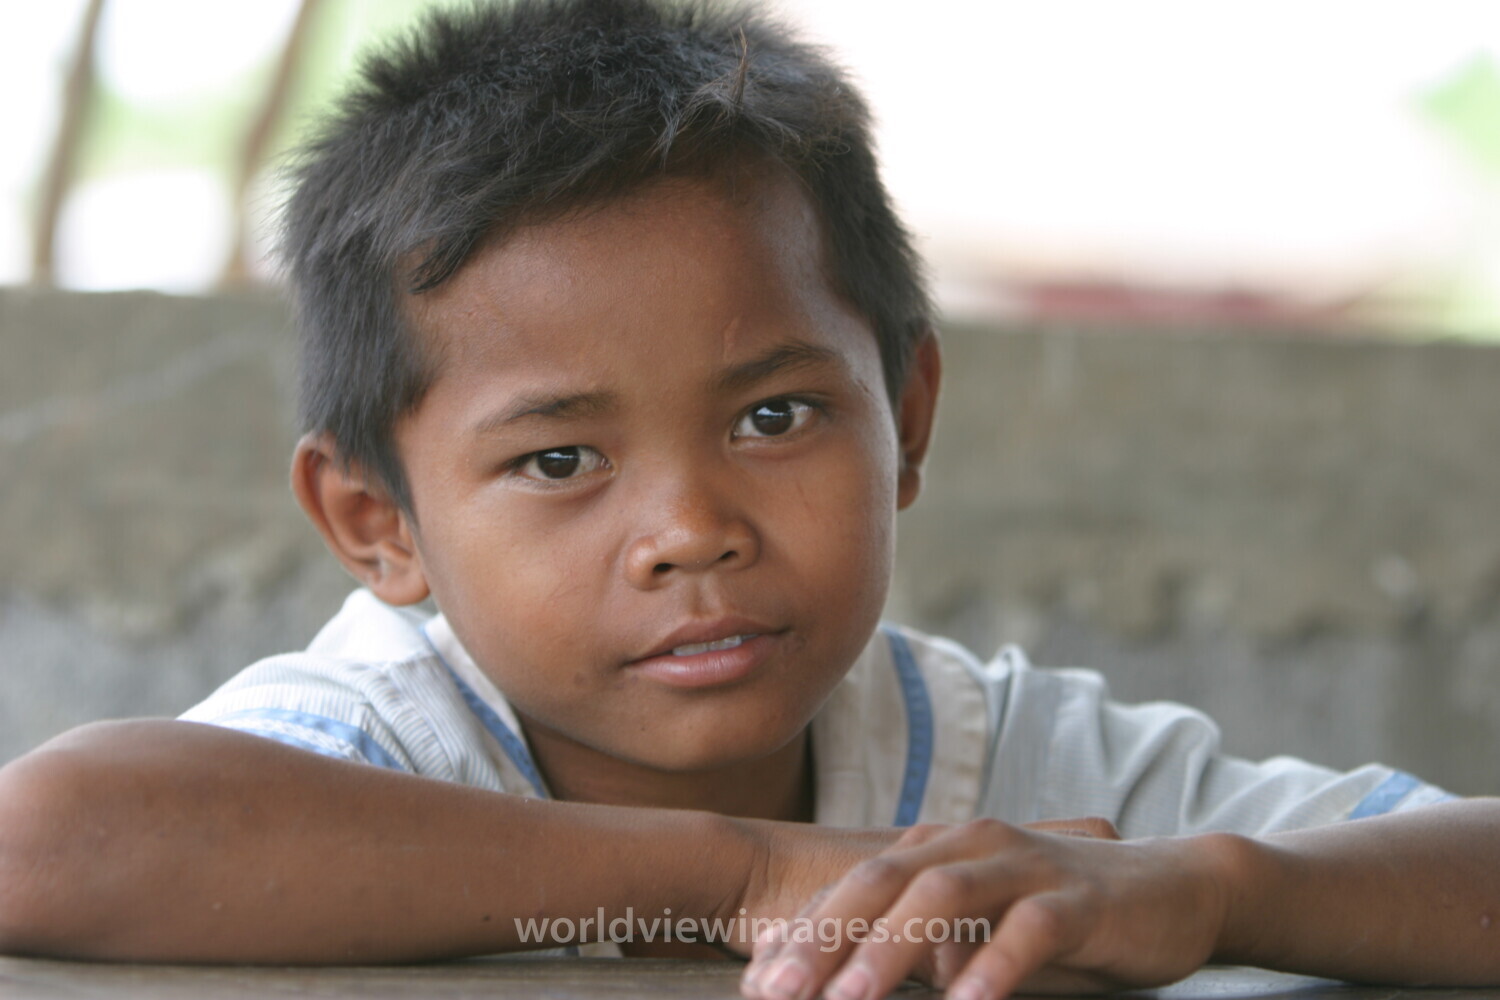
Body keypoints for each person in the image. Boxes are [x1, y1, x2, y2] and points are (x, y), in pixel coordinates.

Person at [1, 2, 1497, 998]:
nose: (691, 529)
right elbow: (47, 843)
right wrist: (743, 875)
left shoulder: (991, 765)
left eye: (775, 416)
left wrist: (1210, 888)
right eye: (559, 460)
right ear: (377, 523)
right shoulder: (391, 741)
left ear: (904, 419)